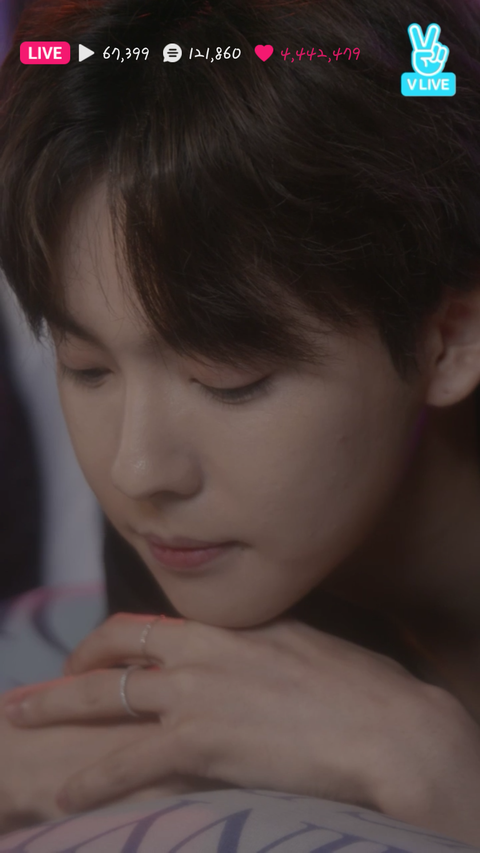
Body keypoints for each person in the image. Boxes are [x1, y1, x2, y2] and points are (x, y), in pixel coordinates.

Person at [2, 0, 480, 843]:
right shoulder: (198, 536)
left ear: (450, 341)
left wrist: (438, 768)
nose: (137, 467)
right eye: (88, 368)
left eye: (230, 381)